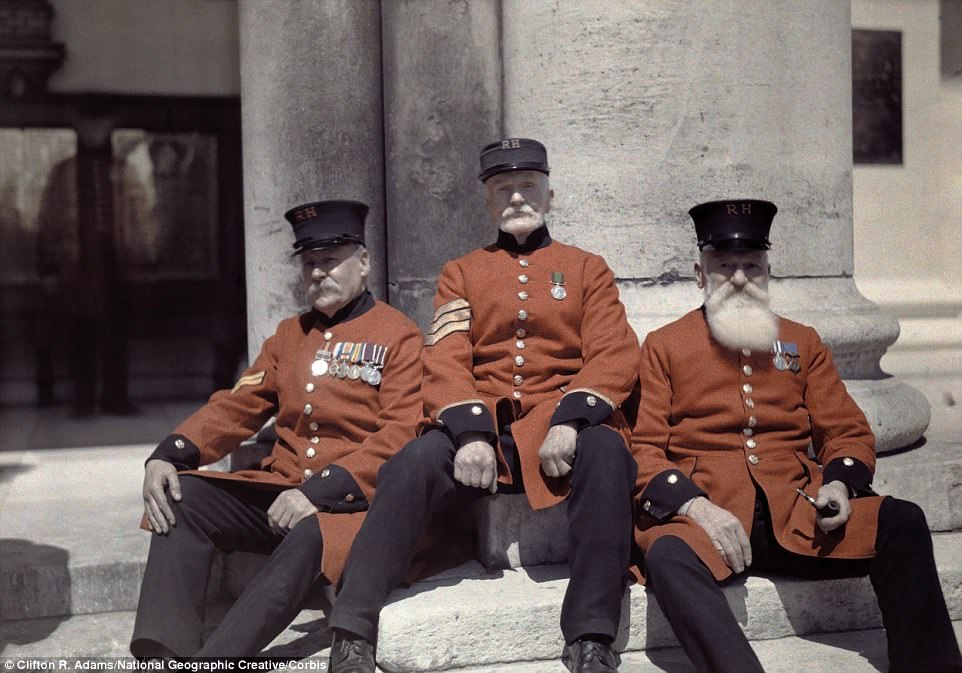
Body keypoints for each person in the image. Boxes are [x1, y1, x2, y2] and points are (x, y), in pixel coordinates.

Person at [325, 138, 641, 673]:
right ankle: (353, 631)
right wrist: (471, 432)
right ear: (488, 203)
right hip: (488, 431)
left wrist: (569, 419)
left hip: (561, 428)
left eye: (527, 186)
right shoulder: (462, 272)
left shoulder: (588, 269)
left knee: (608, 452)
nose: (517, 198)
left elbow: (615, 353)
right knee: (411, 462)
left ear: (549, 193)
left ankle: (591, 637)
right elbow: (446, 357)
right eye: (503, 189)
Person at [631, 199, 962, 673]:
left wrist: (839, 485)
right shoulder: (665, 345)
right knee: (665, 554)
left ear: (768, 272)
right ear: (700, 274)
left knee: (902, 521)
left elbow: (846, 430)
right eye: (725, 267)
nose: (740, 279)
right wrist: (696, 507)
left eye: (752, 266)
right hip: (711, 517)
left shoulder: (802, 341)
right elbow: (643, 449)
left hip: (798, 513)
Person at [129, 200, 424, 659]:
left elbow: (400, 434)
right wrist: (170, 453)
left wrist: (319, 493)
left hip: (352, 508)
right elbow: (238, 405)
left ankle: (215, 662)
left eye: (330, 261)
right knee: (183, 499)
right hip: (281, 493)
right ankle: (163, 655)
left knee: (312, 532)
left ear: (363, 262)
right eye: (309, 263)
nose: (318, 274)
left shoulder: (397, 334)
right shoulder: (289, 335)